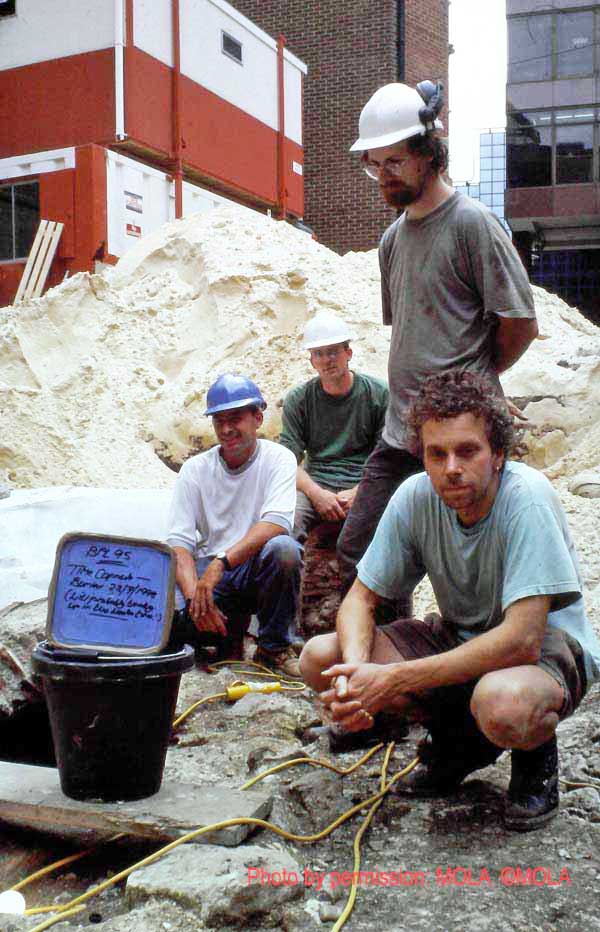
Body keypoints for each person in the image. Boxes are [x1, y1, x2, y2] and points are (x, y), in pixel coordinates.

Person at [300, 370, 600, 830]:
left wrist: (393, 678)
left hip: (544, 651)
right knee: (322, 658)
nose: (451, 468)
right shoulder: (416, 496)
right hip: (461, 636)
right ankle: (459, 746)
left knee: (504, 703)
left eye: (467, 451)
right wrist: (358, 678)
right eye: (436, 454)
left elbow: (521, 639)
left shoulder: (527, 499)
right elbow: (359, 599)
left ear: (497, 453)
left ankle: (534, 758)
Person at [336, 79, 538, 595]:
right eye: (374, 165)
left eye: (394, 162)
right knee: (362, 552)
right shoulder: (391, 240)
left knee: (475, 561)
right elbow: (411, 333)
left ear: (429, 154)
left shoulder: (473, 224)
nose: (382, 176)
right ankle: (392, 658)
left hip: (460, 437)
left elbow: (520, 323)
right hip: (401, 430)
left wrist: (476, 380)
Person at [166, 373, 302, 677]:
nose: (227, 429)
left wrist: (221, 562)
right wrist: (194, 601)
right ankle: (223, 641)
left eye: (235, 418)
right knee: (166, 619)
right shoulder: (195, 470)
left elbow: (276, 523)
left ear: (257, 417)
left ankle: (273, 648)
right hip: (211, 576)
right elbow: (179, 544)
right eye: (219, 421)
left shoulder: (279, 459)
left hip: (251, 568)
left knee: (284, 550)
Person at [279, 311, 388, 543]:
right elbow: (287, 463)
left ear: (348, 353)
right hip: (316, 484)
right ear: (311, 360)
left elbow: (387, 460)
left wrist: (359, 492)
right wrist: (317, 495)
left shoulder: (378, 395)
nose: (327, 360)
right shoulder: (299, 400)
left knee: (377, 533)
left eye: (333, 352)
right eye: (319, 354)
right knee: (285, 530)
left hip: (365, 483)